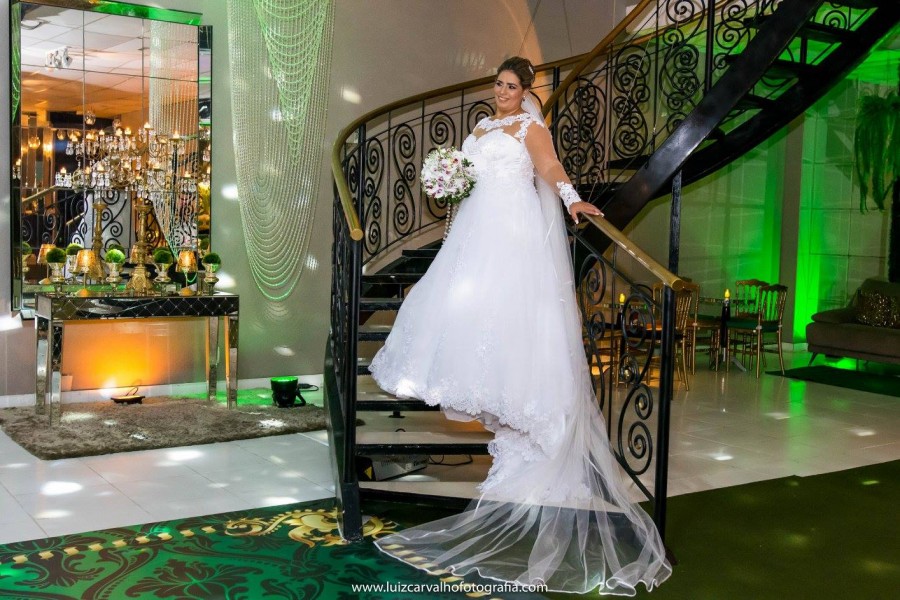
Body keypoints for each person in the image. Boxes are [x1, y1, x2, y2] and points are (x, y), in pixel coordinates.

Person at [368, 56, 671, 595]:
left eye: (511, 86)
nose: (503, 91)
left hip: (512, 233)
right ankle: (494, 397)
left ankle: (531, 415)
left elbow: (549, 168)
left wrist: (572, 199)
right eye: (498, 84)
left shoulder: (532, 128)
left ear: (526, 90)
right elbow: (464, 178)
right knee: (467, 316)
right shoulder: (481, 128)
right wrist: (446, 182)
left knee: (513, 319)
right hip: (475, 231)